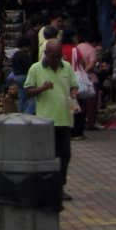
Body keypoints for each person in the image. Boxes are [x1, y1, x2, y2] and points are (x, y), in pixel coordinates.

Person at [24, 37, 79, 198]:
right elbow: (28, 91)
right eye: (53, 56)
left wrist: (74, 92)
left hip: (65, 119)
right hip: (46, 121)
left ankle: (60, 187)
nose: (56, 59)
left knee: (65, 155)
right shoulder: (35, 68)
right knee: (47, 156)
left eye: (59, 56)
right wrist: (42, 88)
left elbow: (74, 85)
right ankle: (44, 187)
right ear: (46, 53)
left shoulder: (67, 67)